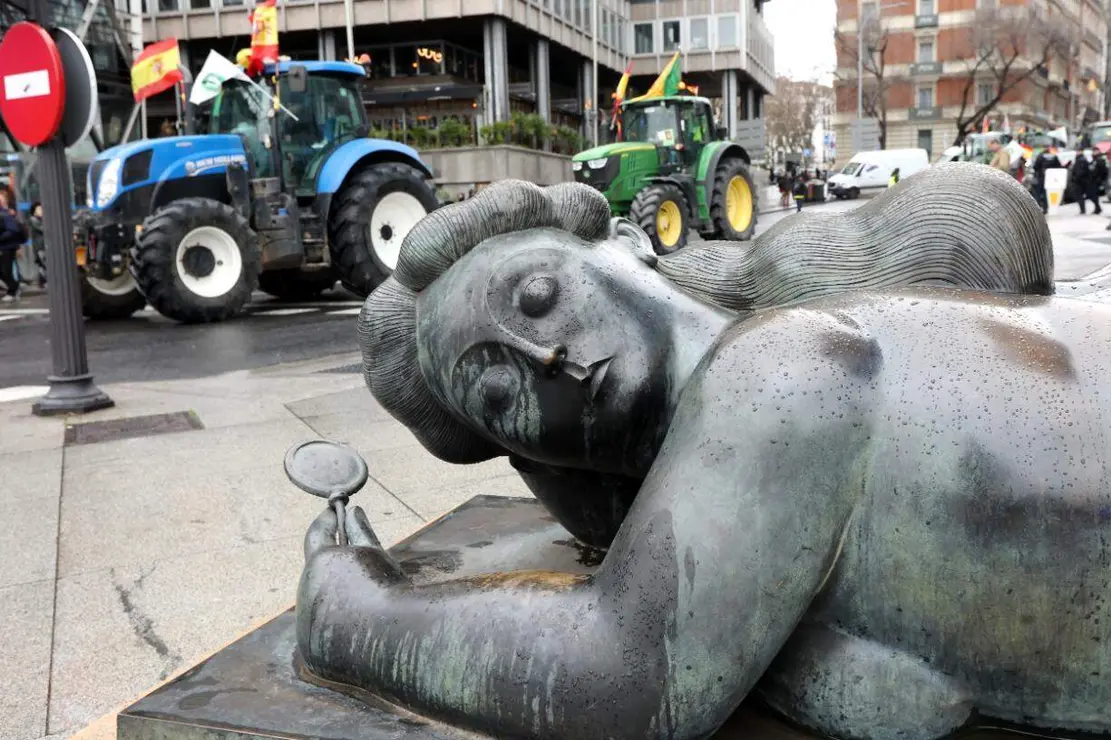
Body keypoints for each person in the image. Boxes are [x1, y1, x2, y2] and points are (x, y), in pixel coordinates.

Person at [297, 175, 1109, 740]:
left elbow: (631, 675)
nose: (544, 361)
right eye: (497, 391)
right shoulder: (762, 441)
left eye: (537, 297)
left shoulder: (784, 362)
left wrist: (351, 612)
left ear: (620, 251)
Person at [0, 185, 25, 301]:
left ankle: (13, 289)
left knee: (6, 270)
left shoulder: (5, 214)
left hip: (7, 247)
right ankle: (13, 287)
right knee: (4, 271)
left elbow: (13, 230)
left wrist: (2, 237)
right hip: (4, 247)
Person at [1032, 146, 1063, 214]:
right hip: (1051, 179)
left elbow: (1035, 167)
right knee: (1047, 194)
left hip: (1041, 178)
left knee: (1038, 194)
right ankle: (1046, 209)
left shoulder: (1040, 156)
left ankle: (1037, 209)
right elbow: (1059, 166)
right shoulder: (1054, 156)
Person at [29, 201, 45, 287]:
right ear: (34, 211)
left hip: (42, 246)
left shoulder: (40, 219)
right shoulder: (33, 219)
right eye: (39, 209)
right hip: (39, 246)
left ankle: (42, 282)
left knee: (42, 266)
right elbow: (43, 229)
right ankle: (43, 282)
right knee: (43, 264)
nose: (41, 210)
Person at [1086, 150, 1106, 216]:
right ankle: (1097, 207)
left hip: (1096, 181)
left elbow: (1103, 171)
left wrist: (1100, 179)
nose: (1093, 153)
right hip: (1092, 180)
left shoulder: (1100, 160)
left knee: (1094, 195)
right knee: (1091, 195)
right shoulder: (1093, 160)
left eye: (1095, 151)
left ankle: (1098, 208)